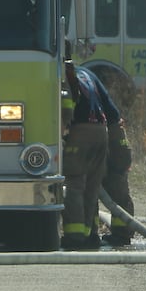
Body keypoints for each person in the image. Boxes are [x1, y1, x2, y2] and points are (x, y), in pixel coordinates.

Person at [61, 40, 119, 250]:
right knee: (92, 187)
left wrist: (61, 131)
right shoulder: (87, 73)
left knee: (74, 185)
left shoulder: (62, 74)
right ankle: (91, 234)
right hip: (101, 132)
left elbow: (66, 107)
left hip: (80, 132)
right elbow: (112, 111)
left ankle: (75, 237)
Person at [103, 116, 137, 246]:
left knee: (89, 191)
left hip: (113, 143)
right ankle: (121, 234)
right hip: (114, 142)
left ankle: (122, 234)